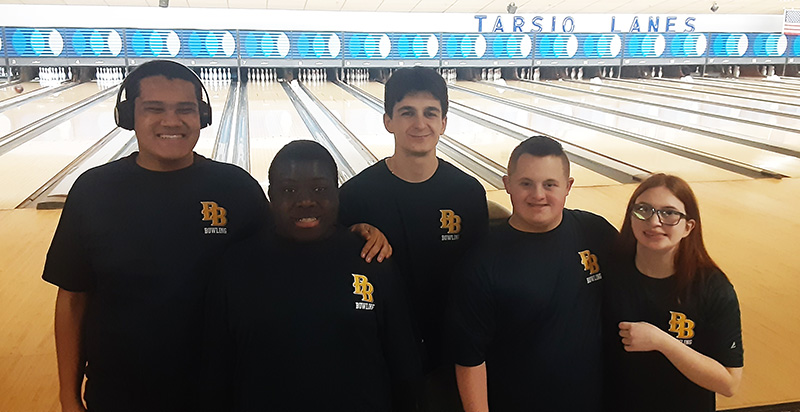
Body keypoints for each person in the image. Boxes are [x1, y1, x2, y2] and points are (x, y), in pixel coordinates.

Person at [42, 60, 388, 412]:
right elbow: (72, 298)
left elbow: (295, 236)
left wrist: (353, 234)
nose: (171, 121)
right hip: (120, 394)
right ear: (128, 115)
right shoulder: (94, 191)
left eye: (185, 109)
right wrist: (67, 396)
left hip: (224, 391)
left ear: (202, 116)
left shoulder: (234, 188)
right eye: (154, 109)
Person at [202, 140, 420, 411]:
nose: (305, 201)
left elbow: (403, 364)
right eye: (289, 190)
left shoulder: (371, 259)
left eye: (319, 189)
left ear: (337, 193)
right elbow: (216, 373)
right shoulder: (235, 266)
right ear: (271, 195)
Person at [338, 66, 489, 410]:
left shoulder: (467, 193)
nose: (420, 124)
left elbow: (483, 283)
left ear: (444, 122)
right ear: (388, 120)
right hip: (380, 358)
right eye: (407, 112)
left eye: (430, 113)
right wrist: (350, 233)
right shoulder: (355, 197)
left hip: (451, 358)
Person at [449, 135, 617, 412]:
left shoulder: (595, 232)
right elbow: (469, 359)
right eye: (526, 183)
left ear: (568, 187)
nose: (538, 195)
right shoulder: (482, 262)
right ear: (507, 185)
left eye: (550, 184)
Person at [603, 173, 743, 412]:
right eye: (643, 209)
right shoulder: (609, 272)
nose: (654, 222)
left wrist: (662, 341)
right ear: (631, 216)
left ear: (688, 227)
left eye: (669, 213)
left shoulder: (712, 288)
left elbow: (729, 383)